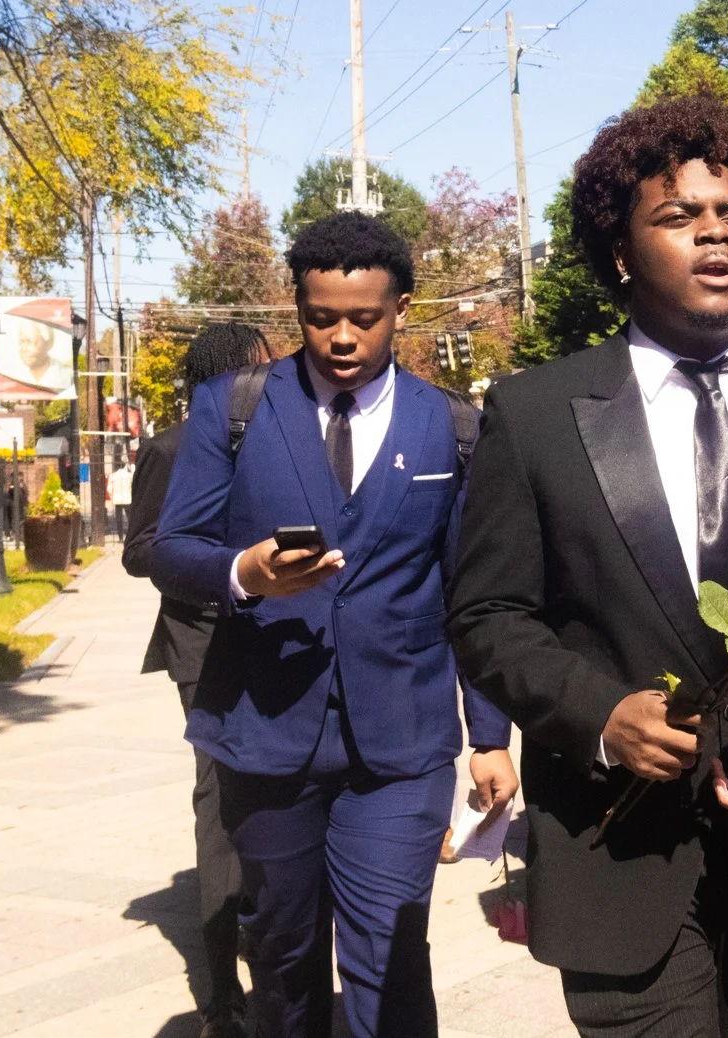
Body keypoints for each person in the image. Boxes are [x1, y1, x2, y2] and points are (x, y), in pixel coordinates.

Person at [447, 95, 728, 1037]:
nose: (714, 238)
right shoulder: (537, 414)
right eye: (678, 218)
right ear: (621, 250)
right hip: (618, 867)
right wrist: (599, 717)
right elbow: (487, 615)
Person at [152, 213, 517, 1036]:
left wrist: (489, 733)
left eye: (364, 318)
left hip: (401, 742)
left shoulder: (452, 426)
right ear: (298, 309)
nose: (342, 337)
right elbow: (168, 549)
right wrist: (244, 574)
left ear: (402, 310)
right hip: (266, 730)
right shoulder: (235, 409)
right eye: (321, 318)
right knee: (282, 953)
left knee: (391, 950)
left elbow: (473, 591)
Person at [123, 322, 274, 1038]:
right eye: (262, 366)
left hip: (278, 633)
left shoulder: (283, 436)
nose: (275, 375)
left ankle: (269, 941)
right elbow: (140, 550)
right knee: (220, 803)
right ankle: (221, 998)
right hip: (203, 641)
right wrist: (222, 568)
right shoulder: (171, 446)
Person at [107, 456, 134, 538]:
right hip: (128, 498)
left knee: (119, 519)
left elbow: (109, 489)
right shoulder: (129, 476)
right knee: (130, 518)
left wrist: (112, 496)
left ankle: (120, 536)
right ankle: (131, 534)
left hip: (117, 499)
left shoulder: (113, 476)